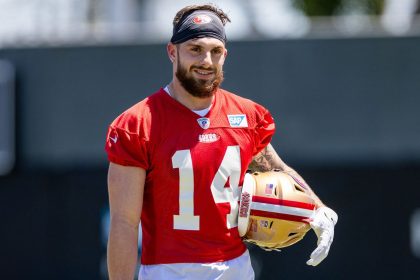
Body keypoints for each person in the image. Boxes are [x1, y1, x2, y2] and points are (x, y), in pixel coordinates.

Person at [105, 4, 338, 280]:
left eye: (215, 51)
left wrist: (319, 209)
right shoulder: (138, 124)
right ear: (172, 51)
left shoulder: (245, 115)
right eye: (195, 49)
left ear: (224, 55)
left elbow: (277, 168)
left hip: (234, 269)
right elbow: (124, 223)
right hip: (166, 272)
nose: (206, 60)